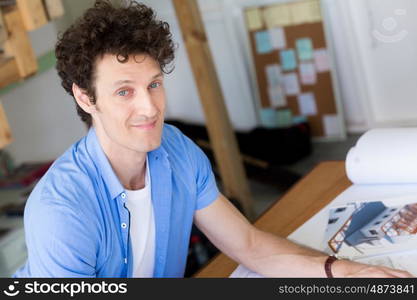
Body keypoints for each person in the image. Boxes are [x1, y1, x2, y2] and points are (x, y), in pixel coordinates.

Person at [13, 0, 412, 278]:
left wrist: (344, 271)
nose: (149, 108)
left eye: (153, 84)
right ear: (85, 97)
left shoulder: (176, 151)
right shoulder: (61, 210)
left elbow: (249, 245)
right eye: (124, 91)